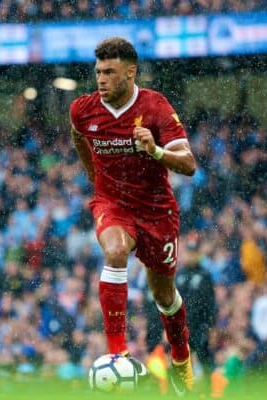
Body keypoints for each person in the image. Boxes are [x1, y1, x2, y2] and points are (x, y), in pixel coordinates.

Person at [69, 37, 198, 396]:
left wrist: (154, 150)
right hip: (112, 204)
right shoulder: (83, 109)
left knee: (164, 295)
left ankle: (181, 356)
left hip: (156, 211)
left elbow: (188, 164)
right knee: (113, 250)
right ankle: (117, 354)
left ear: (130, 72)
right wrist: (95, 179)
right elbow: (78, 135)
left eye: (109, 72)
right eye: (98, 72)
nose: (101, 79)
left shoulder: (155, 107)